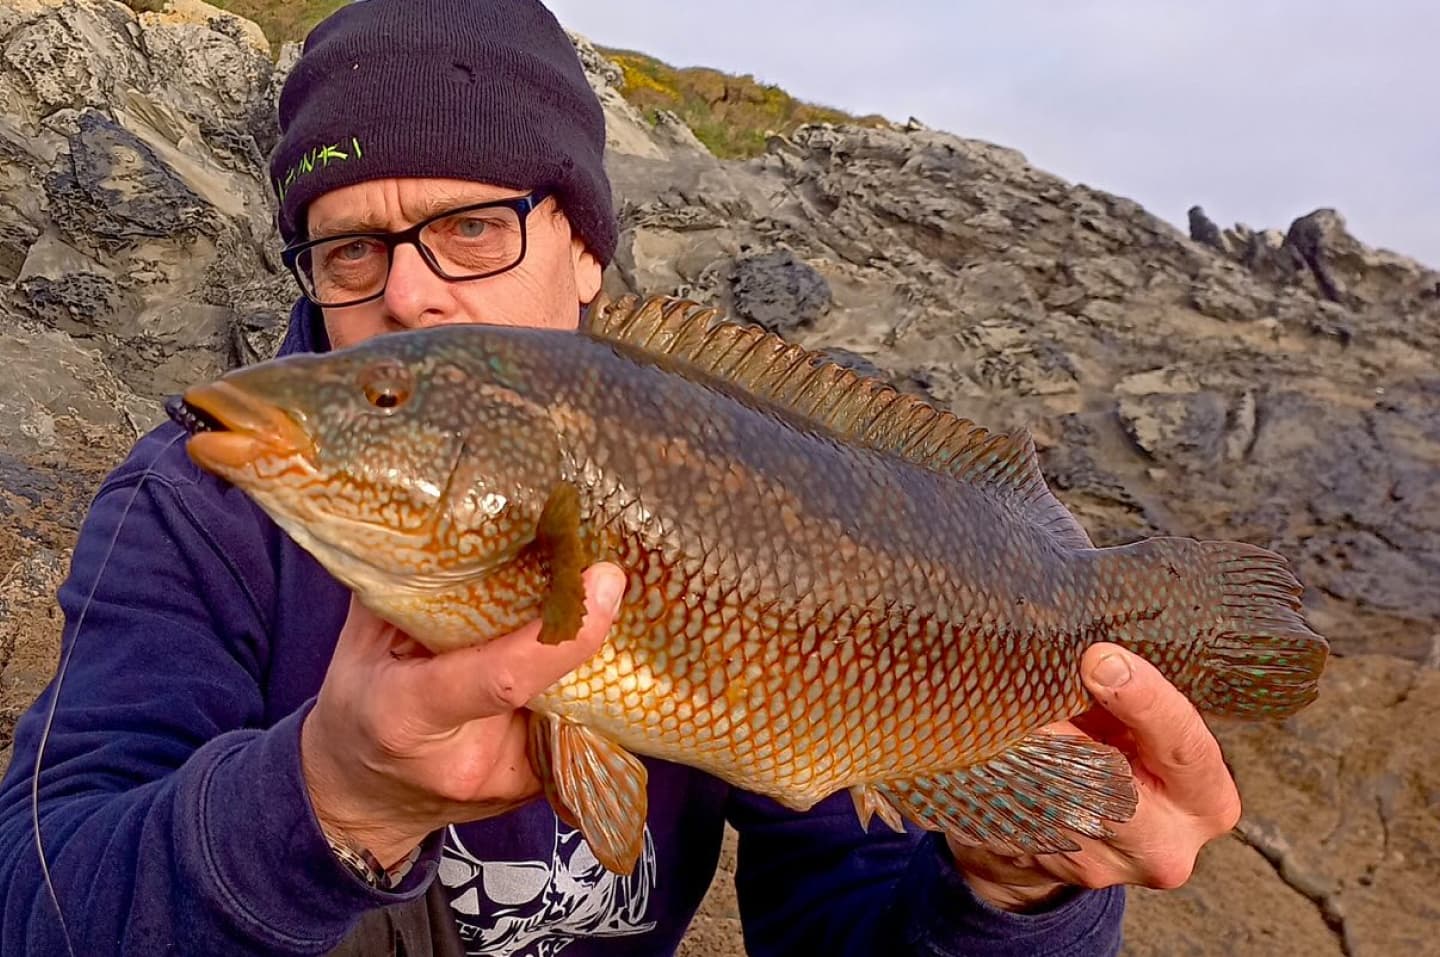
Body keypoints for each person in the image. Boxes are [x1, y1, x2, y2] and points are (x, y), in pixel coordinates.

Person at [0, 1, 1241, 954]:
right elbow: (32, 896)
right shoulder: (192, 506)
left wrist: (1015, 889)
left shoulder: (744, 477)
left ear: (586, 247)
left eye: (473, 227)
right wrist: (333, 798)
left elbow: (845, 923)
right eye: (348, 248)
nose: (410, 290)